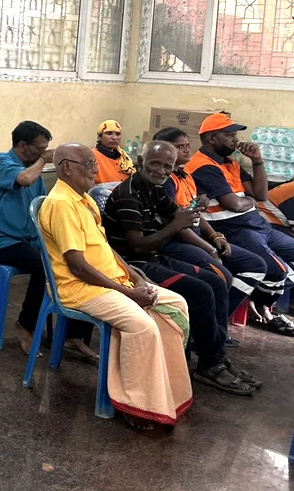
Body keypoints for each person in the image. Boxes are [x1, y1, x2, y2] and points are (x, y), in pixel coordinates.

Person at [39, 143, 192, 431]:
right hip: (81, 288)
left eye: (94, 163)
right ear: (66, 168)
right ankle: (136, 404)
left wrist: (135, 277)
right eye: (88, 164)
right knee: (140, 324)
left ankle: (166, 389)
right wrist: (129, 294)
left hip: (113, 281)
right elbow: (78, 266)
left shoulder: (83, 199)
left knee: (175, 305)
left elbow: (105, 248)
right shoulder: (61, 204)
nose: (96, 168)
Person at [102, 142, 257, 394]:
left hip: (154, 257)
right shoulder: (128, 195)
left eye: (167, 166)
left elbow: (180, 215)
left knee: (217, 282)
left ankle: (215, 356)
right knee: (201, 290)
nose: (161, 171)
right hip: (134, 267)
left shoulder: (156, 189)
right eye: (155, 164)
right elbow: (138, 246)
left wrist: (201, 223)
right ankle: (210, 363)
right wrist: (176, 225)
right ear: (141, 163)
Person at [0, 121, 95, 359]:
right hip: (0, 242)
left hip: (27, 239)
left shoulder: (33, 169)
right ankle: (25, 325)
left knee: (77, 262)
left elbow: (42, 207)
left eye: (46, 150)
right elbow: (23, 179)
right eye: (39, 149)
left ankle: (74, 334)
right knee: (45, 266)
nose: (44, 153)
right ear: (22, 145)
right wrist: (42, 161)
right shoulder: (4, 162)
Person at [184, 112, 294, 335]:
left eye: (235, 134)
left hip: (258, 225)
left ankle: (260, 303)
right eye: (229, 135)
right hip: (234, 230)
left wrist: (257, 161)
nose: (235, 139)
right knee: (276, 272)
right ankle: (228, 318)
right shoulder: (202, 166)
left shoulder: (231, 163)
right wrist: (250, 200)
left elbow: (261, 194)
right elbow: (234, 204)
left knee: (288, 261)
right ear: (211, 138)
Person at [155, 126, 268, 317]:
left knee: (256, 265)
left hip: (196, 235)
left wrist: (214, 236)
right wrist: (210, 248)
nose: (186, 150)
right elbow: (178, 225)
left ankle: (217, 322)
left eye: (187, 145)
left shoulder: (186, 176)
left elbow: (195, 215)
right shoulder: (166, 182)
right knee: (221, 276)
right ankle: (207, 328)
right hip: (177, 241)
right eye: (179, 146)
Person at [92, 120, 136, 184]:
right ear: (99, 137)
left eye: (117, 134)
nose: (114, 137)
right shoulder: (92, 156)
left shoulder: (123, 157)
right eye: (109, 133)